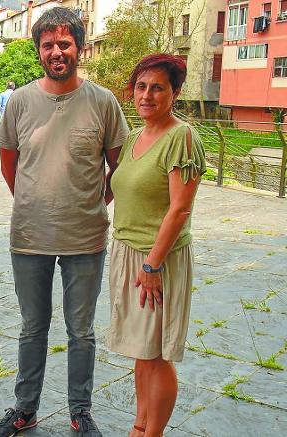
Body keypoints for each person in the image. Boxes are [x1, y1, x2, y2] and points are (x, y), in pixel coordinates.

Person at [0, 7, 129, 437]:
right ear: (38, 50)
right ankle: (25, 407)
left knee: (81, 330)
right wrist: (34, 201)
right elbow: (10, 163)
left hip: (86, 237)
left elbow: (118, 167)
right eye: (48, 44)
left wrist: (93, 201)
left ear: (79, 48)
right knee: (32, 327)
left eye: (64, 43)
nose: (56, 51)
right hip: (29, 237)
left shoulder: (103, 101)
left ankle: (80, 410)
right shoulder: (19, 102)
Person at [107, 54, 206, 437]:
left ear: (175, 92)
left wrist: (152, 266)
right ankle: (139, 425)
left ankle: (153, 433)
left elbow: (180, 210)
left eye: (158, 87)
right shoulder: (134, 135)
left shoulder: (181, 137)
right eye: (141, 86)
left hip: (156, 261)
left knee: (158, 354)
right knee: (141, 349)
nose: (146, 95)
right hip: (127, 253)